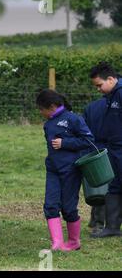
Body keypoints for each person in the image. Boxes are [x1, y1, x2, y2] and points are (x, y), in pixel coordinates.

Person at [36, 89, 94, 251]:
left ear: (53, 107)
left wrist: (65, 143)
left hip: (71, 171)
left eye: (42, 109)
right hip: (53, 170)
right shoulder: (48, 125)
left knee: (68, 208)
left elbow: (89, 141)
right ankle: (57, 243)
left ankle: (74, 242)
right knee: (50, 205)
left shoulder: (74, 119)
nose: (40, 112)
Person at [89, 61, 122, 238]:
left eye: (100, 85)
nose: (98, 89)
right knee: (114, 186)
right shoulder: (112, 96)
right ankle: (112, 227)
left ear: (110, 79)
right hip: (114, 149)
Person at [82, 97, 107, 235]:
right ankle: (100, 223)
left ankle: (95, 220)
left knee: (99, 186)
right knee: (108, 188)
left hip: (94, 150)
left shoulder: (91, 107)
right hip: (111, 149)